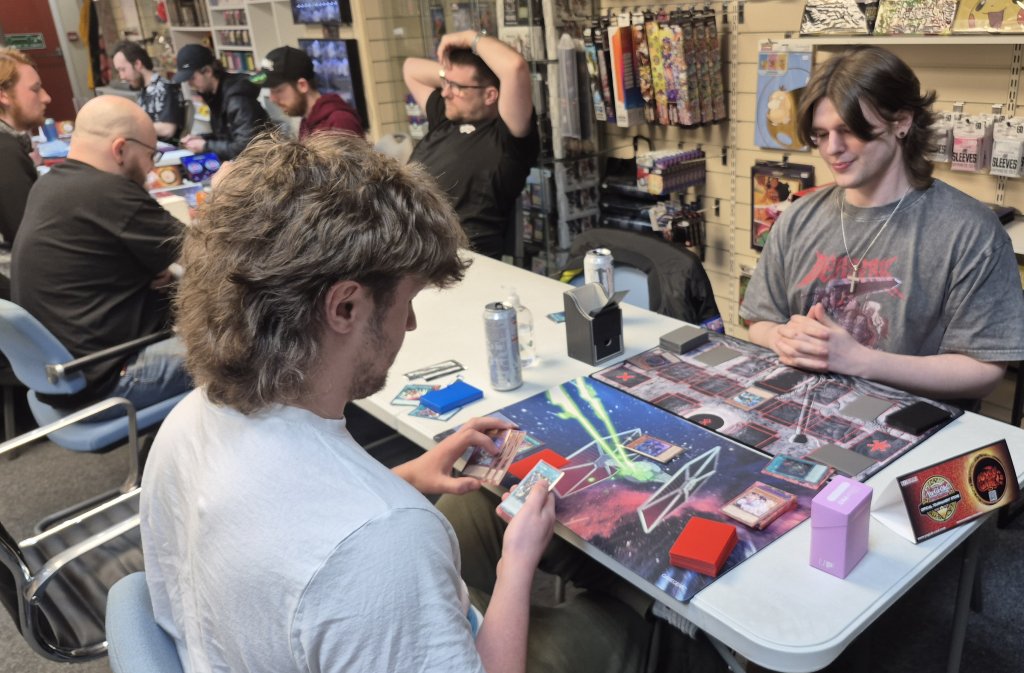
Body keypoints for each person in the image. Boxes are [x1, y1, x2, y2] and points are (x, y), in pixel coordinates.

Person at [139, 131, 659, 673]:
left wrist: (406, 476)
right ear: (344, 306)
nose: (409, 324)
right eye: (406, 301)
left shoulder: (189, 420)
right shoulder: (383, 543)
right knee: (611, 626)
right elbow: (355, 544)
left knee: (469, 507)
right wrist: (517, 567)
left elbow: (299, 520)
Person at [739, 47, 1024, 405]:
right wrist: (783, 338)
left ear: (901, 122)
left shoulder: (970, 233)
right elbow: (760, 321)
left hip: (915, 433)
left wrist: (860, 361)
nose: (833, 149)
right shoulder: (799, 216)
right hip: (805, 417)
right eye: (821, 134)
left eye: (850, 130)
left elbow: (983, 370)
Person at [11, 95, 190, 412]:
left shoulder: (51, 184)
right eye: (150, 156)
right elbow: (216, 255)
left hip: (64, 376)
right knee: (250, 347)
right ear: (120, 149)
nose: (150, 169)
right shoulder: (111, 192)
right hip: (110, 377)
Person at [404, 30, 540, 258]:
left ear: (490, 95)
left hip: (456, 257)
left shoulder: (506, 137)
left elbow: (514, 68)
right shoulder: (446, 117)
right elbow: (410, 68)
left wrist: (470, 38)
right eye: (444, 83)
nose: (445, 92)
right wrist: (451, 78)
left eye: (456, 88)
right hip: (405, 243)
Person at [173, 44, 269, 160]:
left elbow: (246, 147)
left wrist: (205, 146)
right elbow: (227, 135)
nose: (189, 84)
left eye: (192, 78)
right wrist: (202, 139)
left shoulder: (237, 99)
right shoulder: (216, 94)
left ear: (208, 71)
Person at [250, 45, 363, 139]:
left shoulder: (340, 122)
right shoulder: (308, 120)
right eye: (270, 91)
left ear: (302, 85)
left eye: (278, 90)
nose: (272, 99)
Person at [0, 46, 50, 248]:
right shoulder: (5, 153)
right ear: (3, 96)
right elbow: (31, 242)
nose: (46, 97)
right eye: (35, 89)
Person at [111, 40, 186, 143]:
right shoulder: (144, 90)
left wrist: (131, 129)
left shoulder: (165, 88)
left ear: (137, 64)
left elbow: (167, 129)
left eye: (123, 69)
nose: (122, 76)